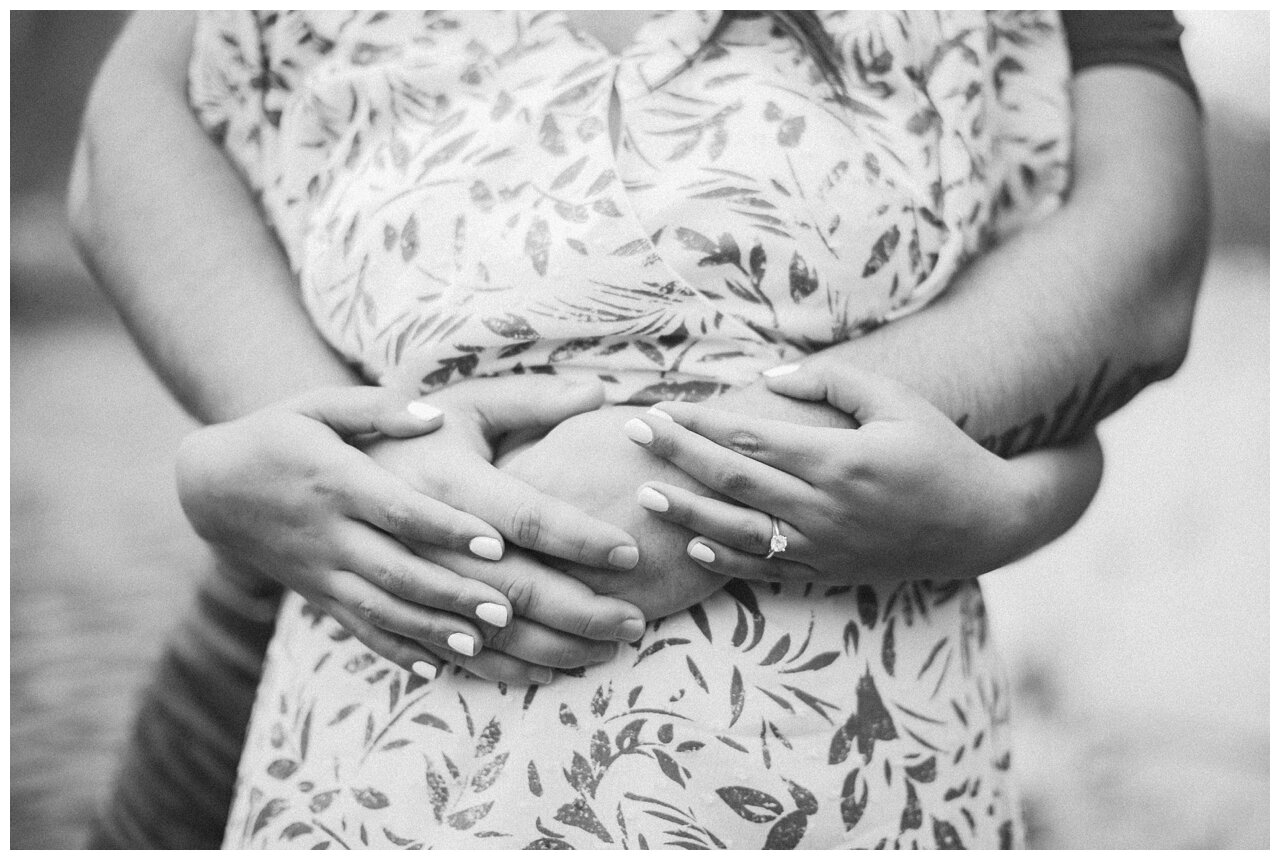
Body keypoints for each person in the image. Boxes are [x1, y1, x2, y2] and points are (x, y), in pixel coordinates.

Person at [70, 10, 1205, 850]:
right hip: (341, 689)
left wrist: (718, 463)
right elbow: (130, 132)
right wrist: (336, 439)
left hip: (833, 767)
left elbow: (1138, 245)